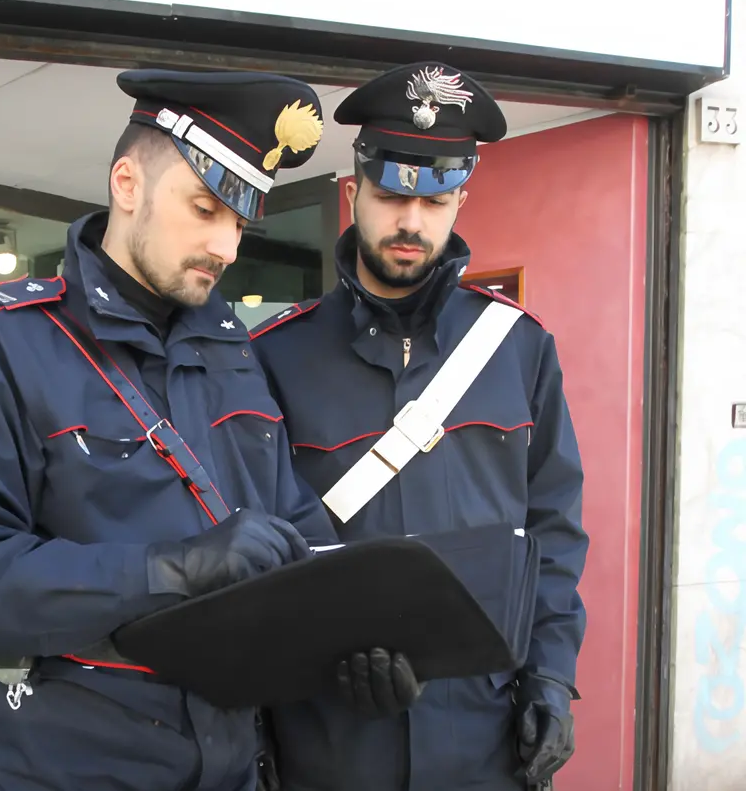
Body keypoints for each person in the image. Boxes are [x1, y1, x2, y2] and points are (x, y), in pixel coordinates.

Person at [0, 68, 339, 791]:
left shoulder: (233, 348)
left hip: (236, 762)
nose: (227, 247)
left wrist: (354, 629)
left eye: (239, 222)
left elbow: (289, 523)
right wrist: (167, 569)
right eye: (205, 208)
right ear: (127, 183)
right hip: (73, 765)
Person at [250, 62, 589, 790]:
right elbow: (255, 554)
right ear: (352, 193)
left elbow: (554, 534)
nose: (411, 221)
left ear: (461, 197)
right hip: (330, 743)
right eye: (390, 194)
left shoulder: (519, 349)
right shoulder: (273, 356)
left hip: (486, 741)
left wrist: (552, 678)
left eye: (435, 199)